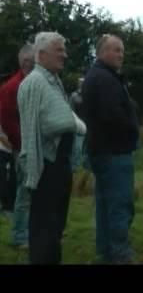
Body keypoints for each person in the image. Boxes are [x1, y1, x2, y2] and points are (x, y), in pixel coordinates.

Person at [17, 32, 86, 264]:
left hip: (59, 164)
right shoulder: (34, 83)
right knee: (44, 228)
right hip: (45, 166)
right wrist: (74, 122)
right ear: (42, 54)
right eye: (60, 50)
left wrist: (73, 122)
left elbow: (63, 117)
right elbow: (42, 125)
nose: (65, 55)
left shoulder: (52, 81)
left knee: (56, 226)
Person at [82, 34, 139, 264]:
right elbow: (112, 117)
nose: (121, 54)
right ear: (101, 52)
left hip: (101, 150)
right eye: (116, 50)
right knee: (119, 205)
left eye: (122, 50)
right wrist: (132, 130)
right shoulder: (105, 79)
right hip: (114, 152)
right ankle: (120, 253)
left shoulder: (98, 76)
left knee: (106, 204)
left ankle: (106, 250)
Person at [0, 43, 35, 249]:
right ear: (25, 62)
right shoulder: (11, 87)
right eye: (35, 60)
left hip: (32, 146)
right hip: (22, 148)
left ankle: (33, 229)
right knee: (25, 191)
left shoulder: (31, 83)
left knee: (33, 191)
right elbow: (7, 121)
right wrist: (22, 144)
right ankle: (20, 235)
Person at [69, 77, 88, 171]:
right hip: (78, 126)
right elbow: (70, 111)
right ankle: (74, 168)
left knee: (87, 150)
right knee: (77, 149)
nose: (82, 84)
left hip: (88, 125)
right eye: (80, 83)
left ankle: (86, 170)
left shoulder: (89, 95)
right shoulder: (74, 96)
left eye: (83, 83)